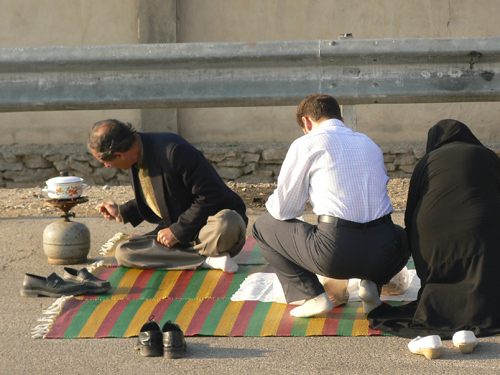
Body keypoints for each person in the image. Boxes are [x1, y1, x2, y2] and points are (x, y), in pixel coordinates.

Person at [252, 93, 409, 318]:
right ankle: (372, 286)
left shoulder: (307, 143)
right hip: (385, 253)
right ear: (341, 120)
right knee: (402, 234)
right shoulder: (368, 143)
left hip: (335, 253)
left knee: (263, 225)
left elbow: (284, 210)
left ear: (306, 122)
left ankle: (312, 296)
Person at [367, 120, 500, 354]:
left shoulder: (426, 162)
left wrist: (417, 249)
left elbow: (409, 215)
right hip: (484, 237)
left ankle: (436, 324)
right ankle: (473, 322)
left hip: (432, 239)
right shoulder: (487, 156)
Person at [87, 119, 248, 273]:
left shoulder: (174, 151)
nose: (106, 165)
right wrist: (123, 211)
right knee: (124, 252)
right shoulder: (135, 157)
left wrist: (177, 231)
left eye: (104, 161)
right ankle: (207, 261)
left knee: (229, 222)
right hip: (179, 233)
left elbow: (211, 195)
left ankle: (182, 256)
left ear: (119, 154)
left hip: (209, 229)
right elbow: (160, 197)